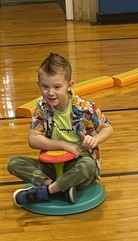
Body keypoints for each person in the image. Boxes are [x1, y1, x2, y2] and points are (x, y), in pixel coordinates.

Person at [8, 52, 113, 208]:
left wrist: (94, 140)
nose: (50, 93)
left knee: (89, 165)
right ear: (38, 84)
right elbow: (33, 139)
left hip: (79, 166)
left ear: (69, 85)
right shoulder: (41, 108)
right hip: (52, 166)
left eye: (57, 87)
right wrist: (64, 145)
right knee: (14, 162)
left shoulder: (84, 107)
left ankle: (46, 191)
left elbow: (108, 129)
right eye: (45, 86)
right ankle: (57, 188)